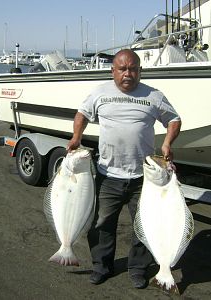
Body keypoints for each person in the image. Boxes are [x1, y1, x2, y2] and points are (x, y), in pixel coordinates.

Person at [67, 49, 181, 289]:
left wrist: (168, 142)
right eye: (122, 69)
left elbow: (173, 119)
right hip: (108, 175)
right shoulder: (100, 92)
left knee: (145, 226)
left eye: (133, 69)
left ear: (140, 71)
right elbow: (82, 114)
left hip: (145, 178)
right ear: (113, 71)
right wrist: (77, 136)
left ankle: (138, 269)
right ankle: (101, 266)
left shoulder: (154, 95)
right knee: (101, 224)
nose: (127, 73)